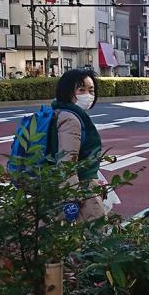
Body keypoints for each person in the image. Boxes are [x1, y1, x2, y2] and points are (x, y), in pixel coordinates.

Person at [52, 68, 105, 222]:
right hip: (81, 187)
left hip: (64, 185)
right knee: (95, 232)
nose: (88, 95)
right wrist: (72, 196)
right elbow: (67, 161)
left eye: (91, 90)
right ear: (68, 91)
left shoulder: (60, 112)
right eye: (81, 90)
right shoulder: (71, 120)